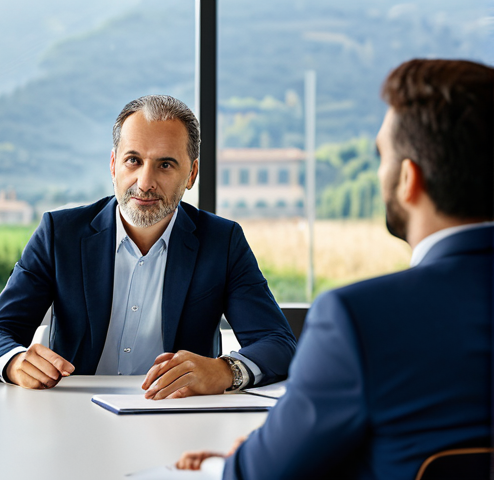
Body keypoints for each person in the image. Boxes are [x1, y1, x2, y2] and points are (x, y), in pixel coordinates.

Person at [176, 58, 494, 478]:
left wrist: (241, 459)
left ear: (408, 179)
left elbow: (264, 474)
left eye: (383, 156)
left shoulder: (362, 319)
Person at [0, 95, 296, 398]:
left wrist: (227, 371)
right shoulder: (60, 234)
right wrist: (15, 362)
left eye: (165, 165)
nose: (144, 182)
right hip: (72, 412)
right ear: (114, 164)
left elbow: (278, 343)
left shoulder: (222, 242)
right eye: (133, 160)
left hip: (178, 416)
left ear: (191, 173)